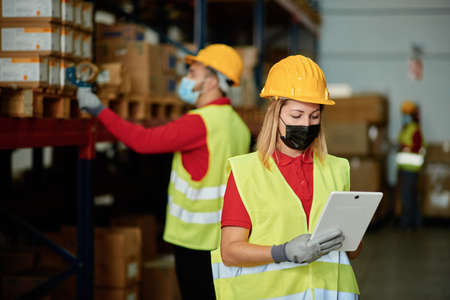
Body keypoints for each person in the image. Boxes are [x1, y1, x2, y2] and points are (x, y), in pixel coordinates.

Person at [77, 44, 251, 299]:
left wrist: (98, 110)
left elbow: (143, 141)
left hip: (195, 239)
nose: (186, 78)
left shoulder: (199, 123)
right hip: (225, 238)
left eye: (193, 73)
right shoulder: (238, 125)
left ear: (212, 82)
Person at [210, 55, 361, 300]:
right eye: (296, 115)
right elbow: (230, 251)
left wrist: (353, 233)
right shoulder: (246, 172)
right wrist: (282, 252)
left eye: (314, 116)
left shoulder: (337, 169)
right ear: (275, 114)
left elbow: (352, 252)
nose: (306, 125)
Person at [396, 100, 425, 230]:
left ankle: (406, 224)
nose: (404, 117)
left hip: (411, 170)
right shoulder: (405, 129)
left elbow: (418, 148)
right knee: (410, 197)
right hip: (404, 168)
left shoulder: (415, 130)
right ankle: (414, 223)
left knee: (408, 198)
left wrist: (404, 147)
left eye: (406, 114)